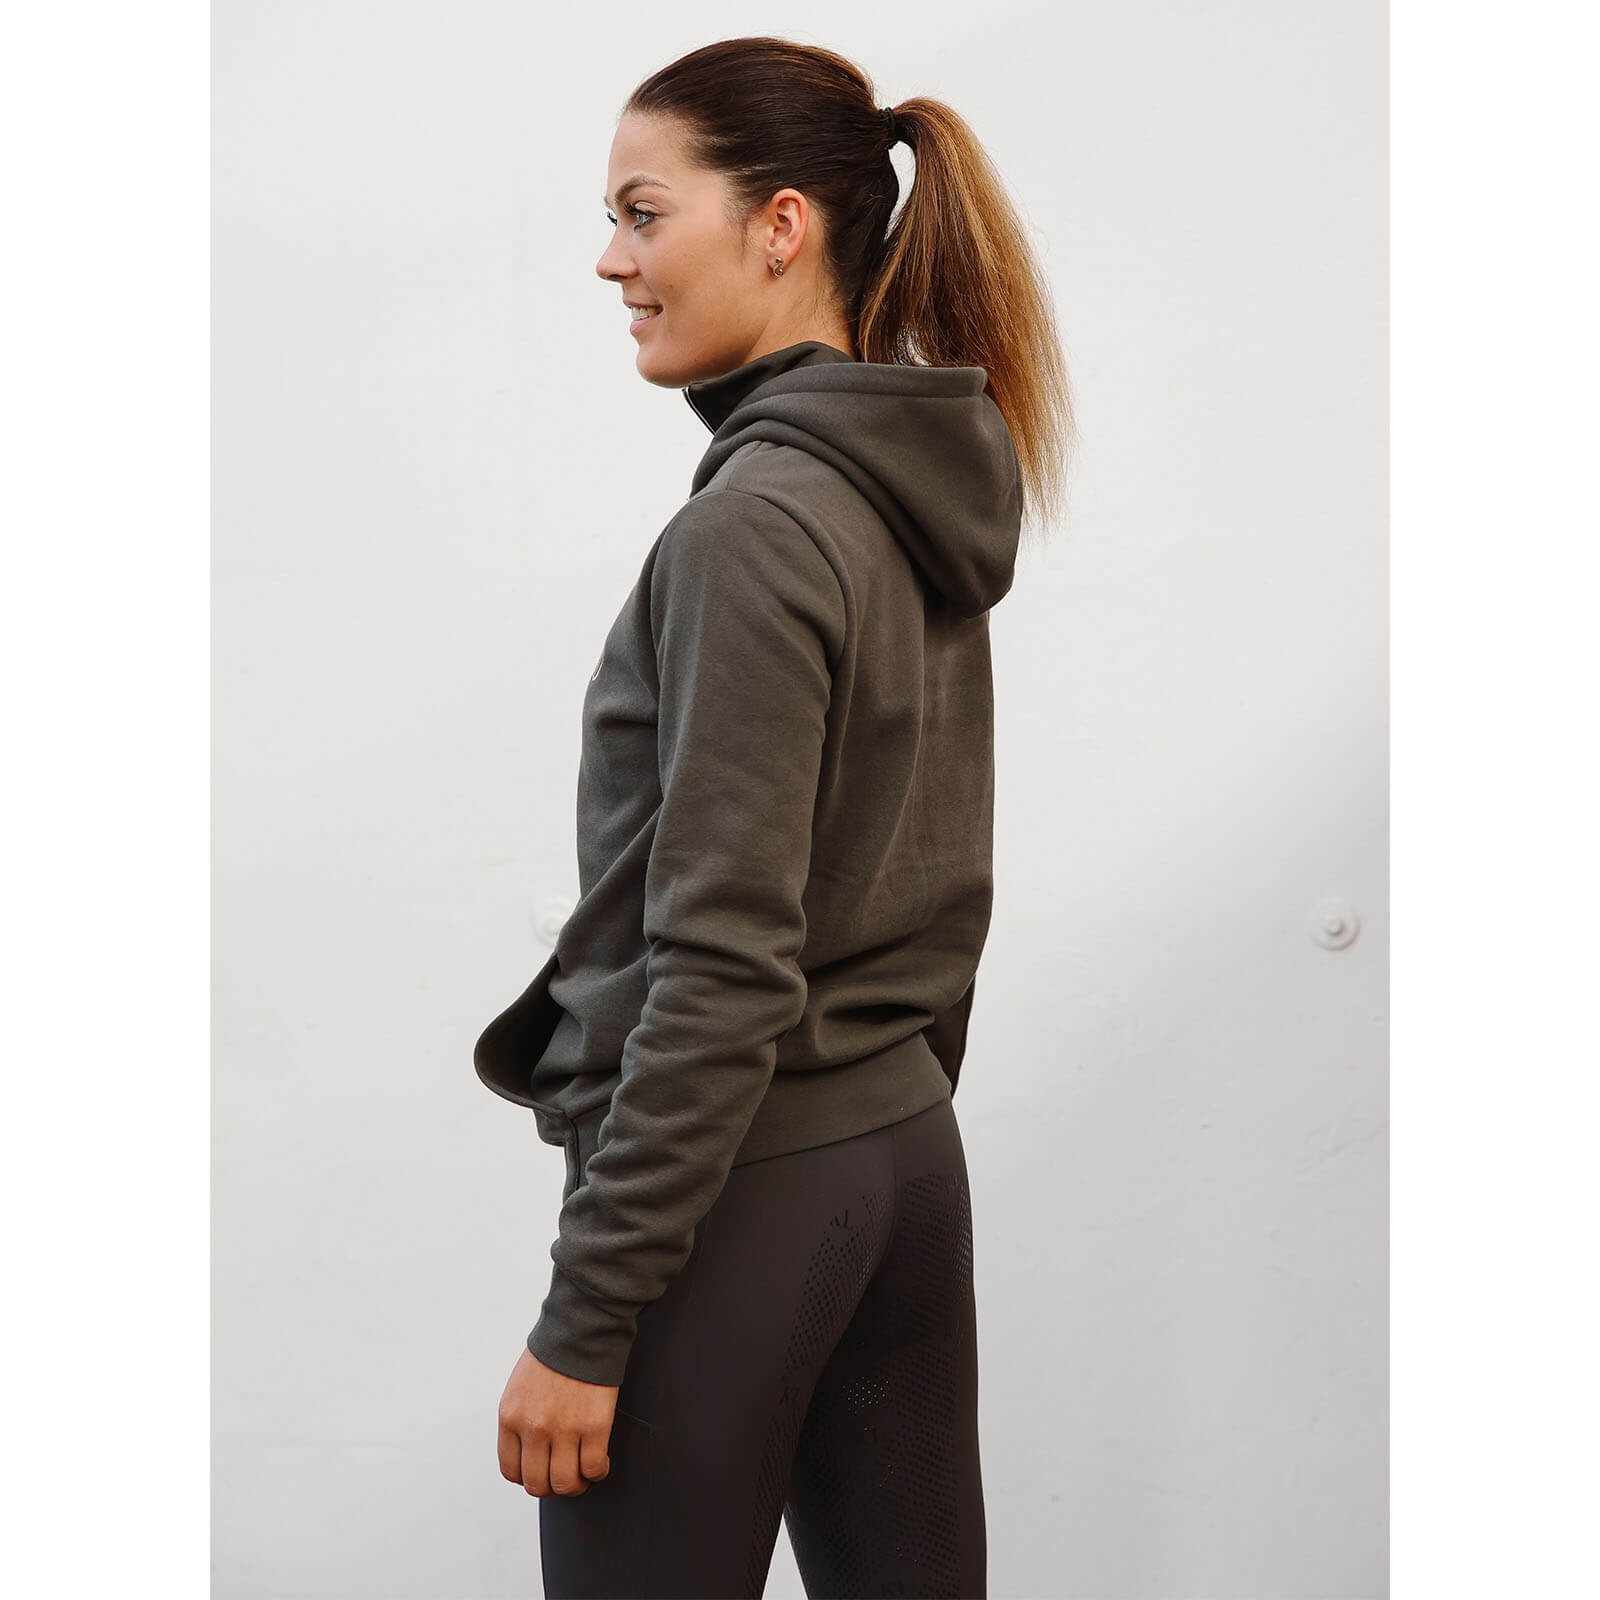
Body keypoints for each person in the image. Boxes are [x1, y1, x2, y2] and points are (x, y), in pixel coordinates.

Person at [473, 34, 1074, 1600]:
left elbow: (727, 961)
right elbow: (934, 867)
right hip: (898, 1158)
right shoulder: (901, 491)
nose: (612, 260)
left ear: (781, 227)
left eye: (643, 212)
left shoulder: (753, 528)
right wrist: (880, 1113)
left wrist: (589, 1318)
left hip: (741, 1190)